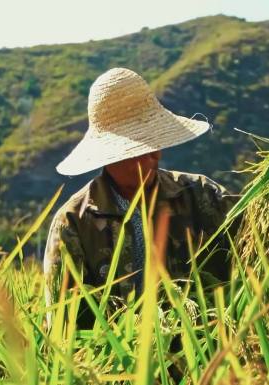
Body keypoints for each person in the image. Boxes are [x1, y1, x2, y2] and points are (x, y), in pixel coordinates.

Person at [43, 68, 237, 328]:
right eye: (138, 149)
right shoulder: (75, 223)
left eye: (154, 144)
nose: (153, 156)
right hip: (119, 364)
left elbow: (261, 244)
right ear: (110, 156)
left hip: (208, 355)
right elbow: (63, 322)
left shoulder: (201, 195)